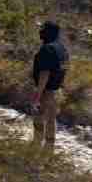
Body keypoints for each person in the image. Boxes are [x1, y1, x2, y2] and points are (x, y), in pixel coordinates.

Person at [31, 21, 69, 152]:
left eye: (43, 29)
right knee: (51, 121)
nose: (40, 32)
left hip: (46, 91)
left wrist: (37, 95)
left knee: (39, 119)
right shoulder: (62, 49)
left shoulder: (47, 48)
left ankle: (35, 148)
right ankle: (49, 151)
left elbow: (44, 74)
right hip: (56, 91)